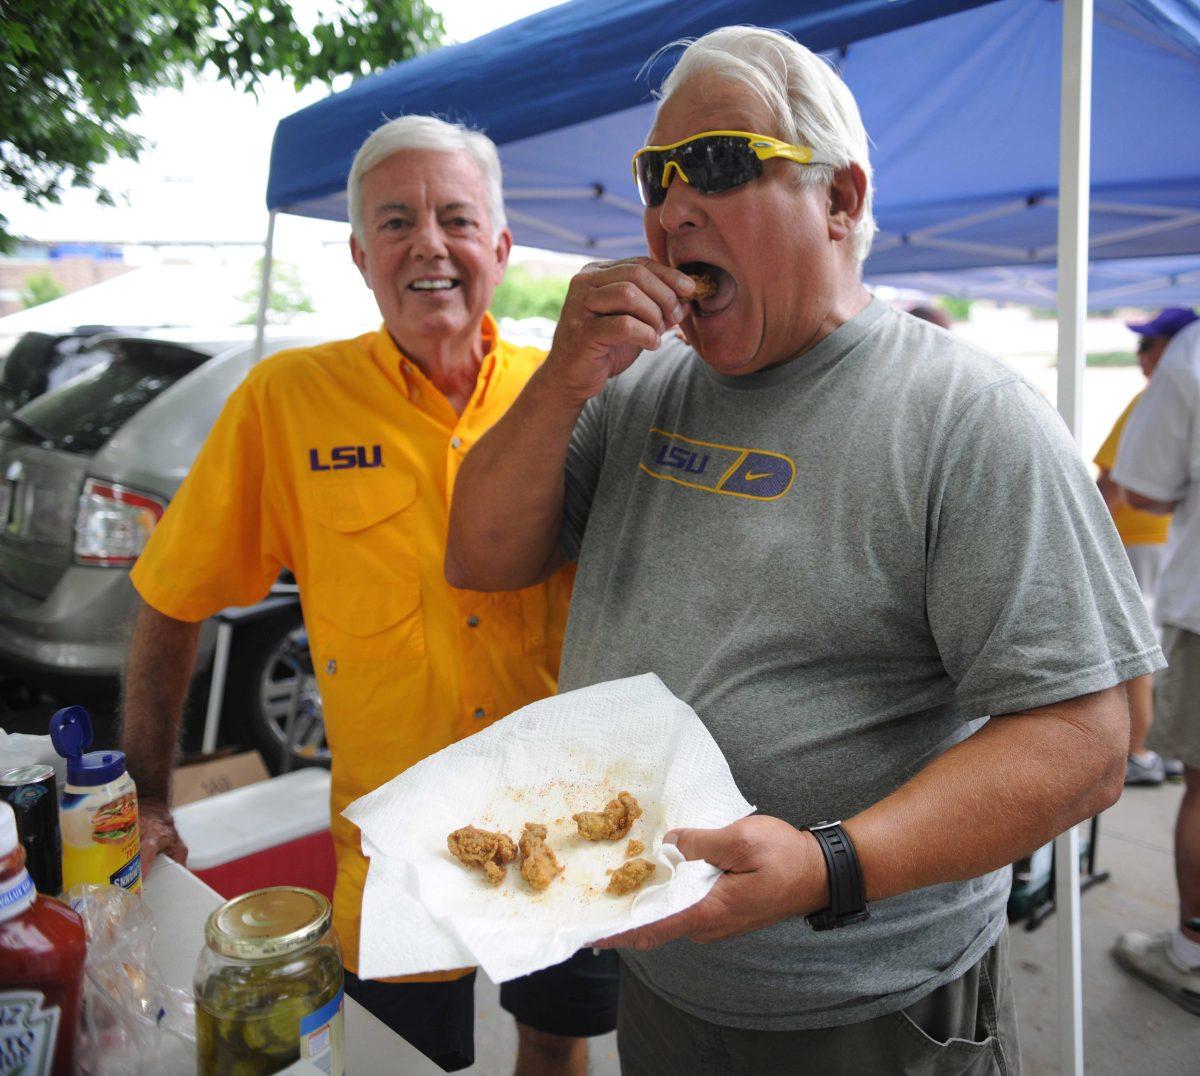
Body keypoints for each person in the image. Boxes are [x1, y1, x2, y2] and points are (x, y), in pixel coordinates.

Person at [444, 26, 1162, 1072]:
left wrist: (831, 861)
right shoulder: (633, 386)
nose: (673, 204)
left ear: (841, 200)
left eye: (724, 162)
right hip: (661, 976)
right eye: (658, 172)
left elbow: (1092, 736)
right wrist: (558, 381)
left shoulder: (968, 418)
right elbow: (482, 554)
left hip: (863, 1009)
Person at [119, 115, 617, 1073]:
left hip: (567, 818)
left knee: (555, 1043)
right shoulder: (287, 400)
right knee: (400, 1058)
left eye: (456, 219)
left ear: (501, 248)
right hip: (398, 841)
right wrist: (146, 793)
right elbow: (171, 592)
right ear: (359, 254)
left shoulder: (575, 392)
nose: (429, 243)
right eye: (396, 222)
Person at [1110, 315, 1200, 1016]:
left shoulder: (1189, 359)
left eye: (1147, 344)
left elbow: (1140, 487)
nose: (1143, 355)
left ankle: (1191, 953)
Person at [1096, 308, 1197, 785]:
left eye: (1147, 345)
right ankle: (1165, 749)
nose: (1141, 356)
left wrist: (1085, 538)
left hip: (1140, 543)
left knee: (1134, 646)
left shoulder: (1158, 394)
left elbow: (1114, 485)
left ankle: (1140, 751)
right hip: (1164, 544)